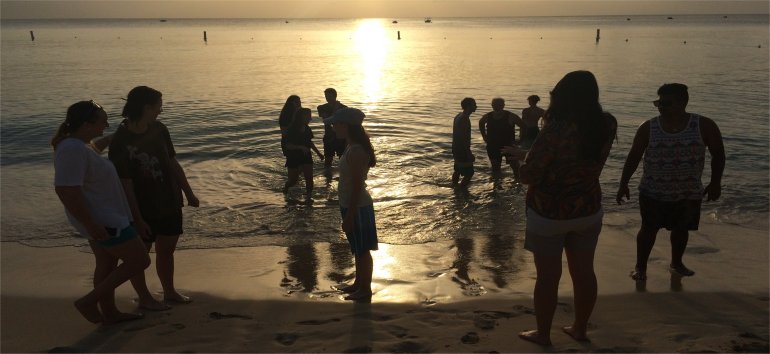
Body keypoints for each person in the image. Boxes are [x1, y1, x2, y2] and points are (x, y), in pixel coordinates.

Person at [503, 71, 617, 345]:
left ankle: (543, 334)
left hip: (549, 214)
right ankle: (579, 329)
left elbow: (531, 176)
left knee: (548, 278)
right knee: (584, 272)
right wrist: (529, 155)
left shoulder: (556, 129)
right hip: (588, 209)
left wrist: (517, 163)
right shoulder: (607, 124)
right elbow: (576, 160)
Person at [52, 100, 151, 324]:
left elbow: (93, 151)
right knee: (139, 260)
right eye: (103, 123)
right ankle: (88, 302)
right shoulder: (71, 149)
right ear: (87, 124)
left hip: (103, 217)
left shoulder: (79, 145)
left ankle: (110, 312)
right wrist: (92, 224)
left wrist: (113, 137)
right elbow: (66, 190)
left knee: (106, 265)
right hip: (104, 220)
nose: (104, 127)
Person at [617, 83, 725, 281]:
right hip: (653, 190)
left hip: (688, 191)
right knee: (648, 230)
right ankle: (640, 268)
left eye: (666, 103)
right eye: (658, 102)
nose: (661, 107)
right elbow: (633, 157)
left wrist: (715, 182)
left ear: (683, 102)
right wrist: (623, 183)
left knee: (681, 230)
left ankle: (677, 263)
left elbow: (718, 154)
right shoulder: (648, 127)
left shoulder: (704, 125)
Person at [109, 86, 200, 308]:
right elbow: (126, 184)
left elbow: (171, 162)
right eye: (159, 106)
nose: (161, 110)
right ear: (147, 107)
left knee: (167, 250)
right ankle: (145, 297)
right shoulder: (121, 140)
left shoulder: (159, 129)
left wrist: (188, 191)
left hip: (168, 199)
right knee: (139, 257)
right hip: (141, 205)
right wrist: (137, 219)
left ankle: (169, 291)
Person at [324, 108, 378, 301]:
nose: (332, 127)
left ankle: (365, 289)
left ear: (345, 126)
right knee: (357, 247)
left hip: (358, 206)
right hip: (351, 205)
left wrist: (349, 216)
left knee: (363, 250)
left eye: (335, 124)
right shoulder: (351, 145)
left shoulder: (355, 150)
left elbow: (357, 186)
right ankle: (358, 283)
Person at [282, 107, 324, 199]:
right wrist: (300, 147)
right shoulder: (291, 129)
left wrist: (318, 153)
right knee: (293, 181)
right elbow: (288, 145)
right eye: (308, 116)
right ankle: (286, 187)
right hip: (293, 157)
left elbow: (309, 142)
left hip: (306, 155)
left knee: (309, 179)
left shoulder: (307, 128)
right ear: (301, 116)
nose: (310, 118)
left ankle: (309, 198)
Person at [478, 97, 524, 178]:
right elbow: (481, 123)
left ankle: (517, 184)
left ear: (503, 105)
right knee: (495, 169)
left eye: (499, 105)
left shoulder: (510, 116)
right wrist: (484, 136)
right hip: (493, 146)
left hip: (508, 145)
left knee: (515, 167)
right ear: (492, 105)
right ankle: (497, 187)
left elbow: (523, 126)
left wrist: (521, 139)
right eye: (494, 105)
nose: (496, 106)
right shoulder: (488, 116)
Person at [317, 88, 348, 167]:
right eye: (326, 96)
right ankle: (327, 178)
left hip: (341, 137)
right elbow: (327, 120)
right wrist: (335, 108)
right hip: (329, 137)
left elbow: (346, 124)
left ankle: (342, 177)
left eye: (329, 96)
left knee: (343, 160)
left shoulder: (344, 108)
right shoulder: (321, 107)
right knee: (328, 161)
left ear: (335, 96)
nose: (328, 98)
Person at [452, 97, 477, 188]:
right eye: (474, 104)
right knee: (469, 173)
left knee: (458, 170)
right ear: (468, 106)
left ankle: (454, 186)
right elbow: (463, 138)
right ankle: (462, 190)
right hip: (462, 149)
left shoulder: (458, 115)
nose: (476, 106)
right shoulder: (464, 119)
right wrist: (469, 153)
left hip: (455, 147)